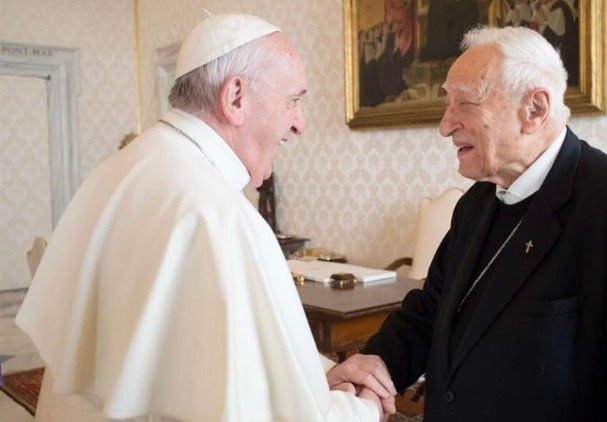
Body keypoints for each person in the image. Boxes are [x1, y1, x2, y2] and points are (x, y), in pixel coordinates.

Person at [329, 26, 607, 420]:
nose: (445, 124)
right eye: (447, 104)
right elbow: (431, 313)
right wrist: (375, 365)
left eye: (464, 104)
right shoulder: (478, 202)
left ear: (535, 109)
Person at [16, 13, 395, 421]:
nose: (299, 123)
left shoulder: (118, 170)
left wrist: (321, 374)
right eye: (293, 100)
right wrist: (363, 407)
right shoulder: (220, 217)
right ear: (235, 98)